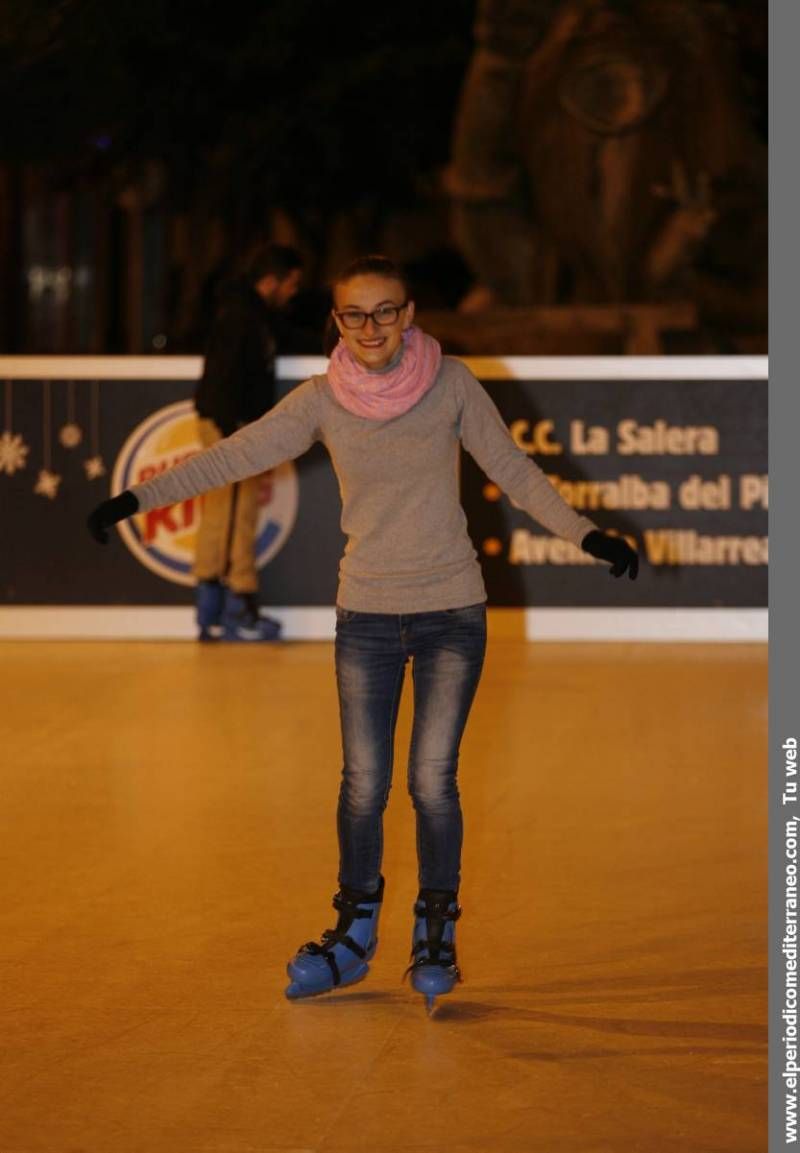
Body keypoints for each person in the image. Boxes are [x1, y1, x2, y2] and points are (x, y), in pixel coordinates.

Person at [87, 254, 638, 1012]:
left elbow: (516, 472)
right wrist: (135, 500)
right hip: (367, 614)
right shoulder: (321, 399)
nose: (371, 326)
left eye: (386, 311)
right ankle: (353, 934)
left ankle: (435, 934)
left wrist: (589, 536)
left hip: (452, 609)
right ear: (337, 320)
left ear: (409, 315)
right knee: (364, 784)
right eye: (356, 313)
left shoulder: (451, 385)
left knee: (431, 781)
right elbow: (234, 452)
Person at [192, 242, 303, 641]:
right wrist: (228, 429)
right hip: (230, 426)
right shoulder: (239, 316)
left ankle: (232, 605)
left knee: (239, 515)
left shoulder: (258, 316)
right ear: (270, 280)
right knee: (226, 511)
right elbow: (221, 373)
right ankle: (219, 606)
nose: (293, 292)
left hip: (241, 427)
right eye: (290, 283)